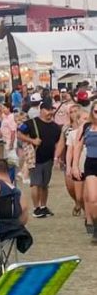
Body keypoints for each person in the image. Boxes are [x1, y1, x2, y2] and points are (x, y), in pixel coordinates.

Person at [17, 100, 61, 217]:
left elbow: (57, 143)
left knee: (44, 184)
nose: (50, 112)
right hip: (35, 158)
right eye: (47, 110)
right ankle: (36, 208)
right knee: (35, 183)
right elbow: (19, 133)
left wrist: (57, 157)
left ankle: (43, 206)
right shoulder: (31, 123)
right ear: (41, 110)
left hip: (49, 159)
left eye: (51, 110)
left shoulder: (55, 127)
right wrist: (32, 141)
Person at [70, 101, 97, 240]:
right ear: (92, 112)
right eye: (96, 112)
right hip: (91, 163)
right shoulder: (86, 127)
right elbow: (78, 146)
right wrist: (74, 165)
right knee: (92, 198)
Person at [56, 106, 84, 217]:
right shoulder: (66, 128)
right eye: (71, 112)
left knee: (83, 186)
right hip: (69, 159)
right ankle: (77, 202)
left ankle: (86, 209)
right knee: (70, 187)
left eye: (75, 111)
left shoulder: (87, 126)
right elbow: (61, 143)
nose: (73, 113)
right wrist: (56, 157)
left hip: (83, 158)